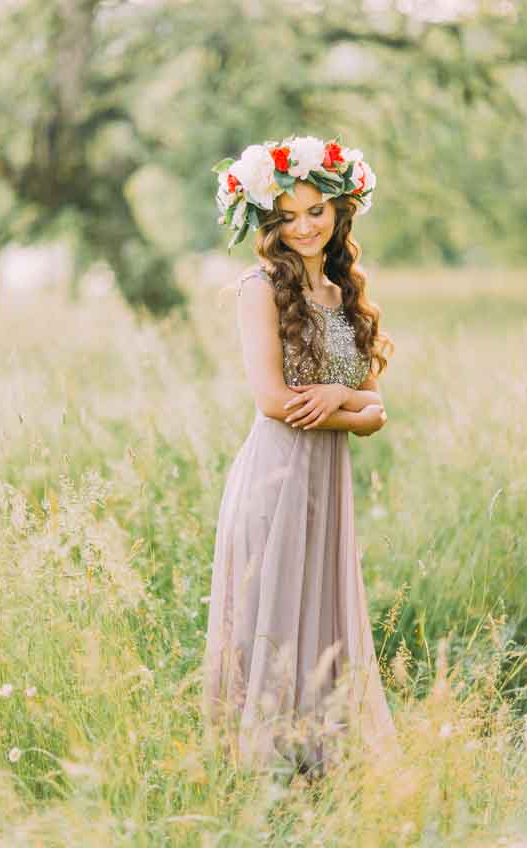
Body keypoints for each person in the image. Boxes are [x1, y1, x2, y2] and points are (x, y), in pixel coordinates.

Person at [202, 136, 400, 778]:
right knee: (273, 623)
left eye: (316, 210)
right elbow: (272, 401)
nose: (304, 226)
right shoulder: (259, 287)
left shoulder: (346, 293)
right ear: (268, 222)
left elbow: (376, 407)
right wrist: (357, 410)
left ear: (340, 209)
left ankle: (322, 769)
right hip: (275, 477)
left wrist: (345, 397)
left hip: (326, 486)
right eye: (287, 216)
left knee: (321, 618)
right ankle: (261, 774)